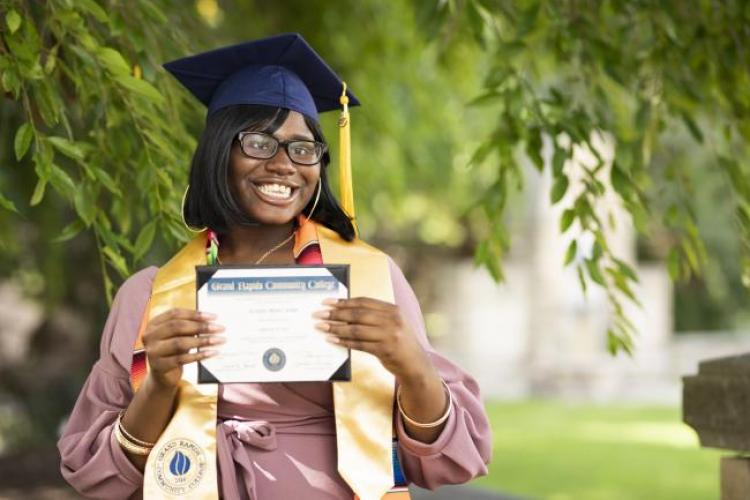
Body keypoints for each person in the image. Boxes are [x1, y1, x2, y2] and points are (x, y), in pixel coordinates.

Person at [58, 33, 492, 500]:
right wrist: (159, 385)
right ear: (219, 151)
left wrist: (413, 366)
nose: (285, 164)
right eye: (260, 143)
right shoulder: (151, 296)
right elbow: (94, 475)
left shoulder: (369, 279)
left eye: (303, 149)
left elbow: (453, 460)